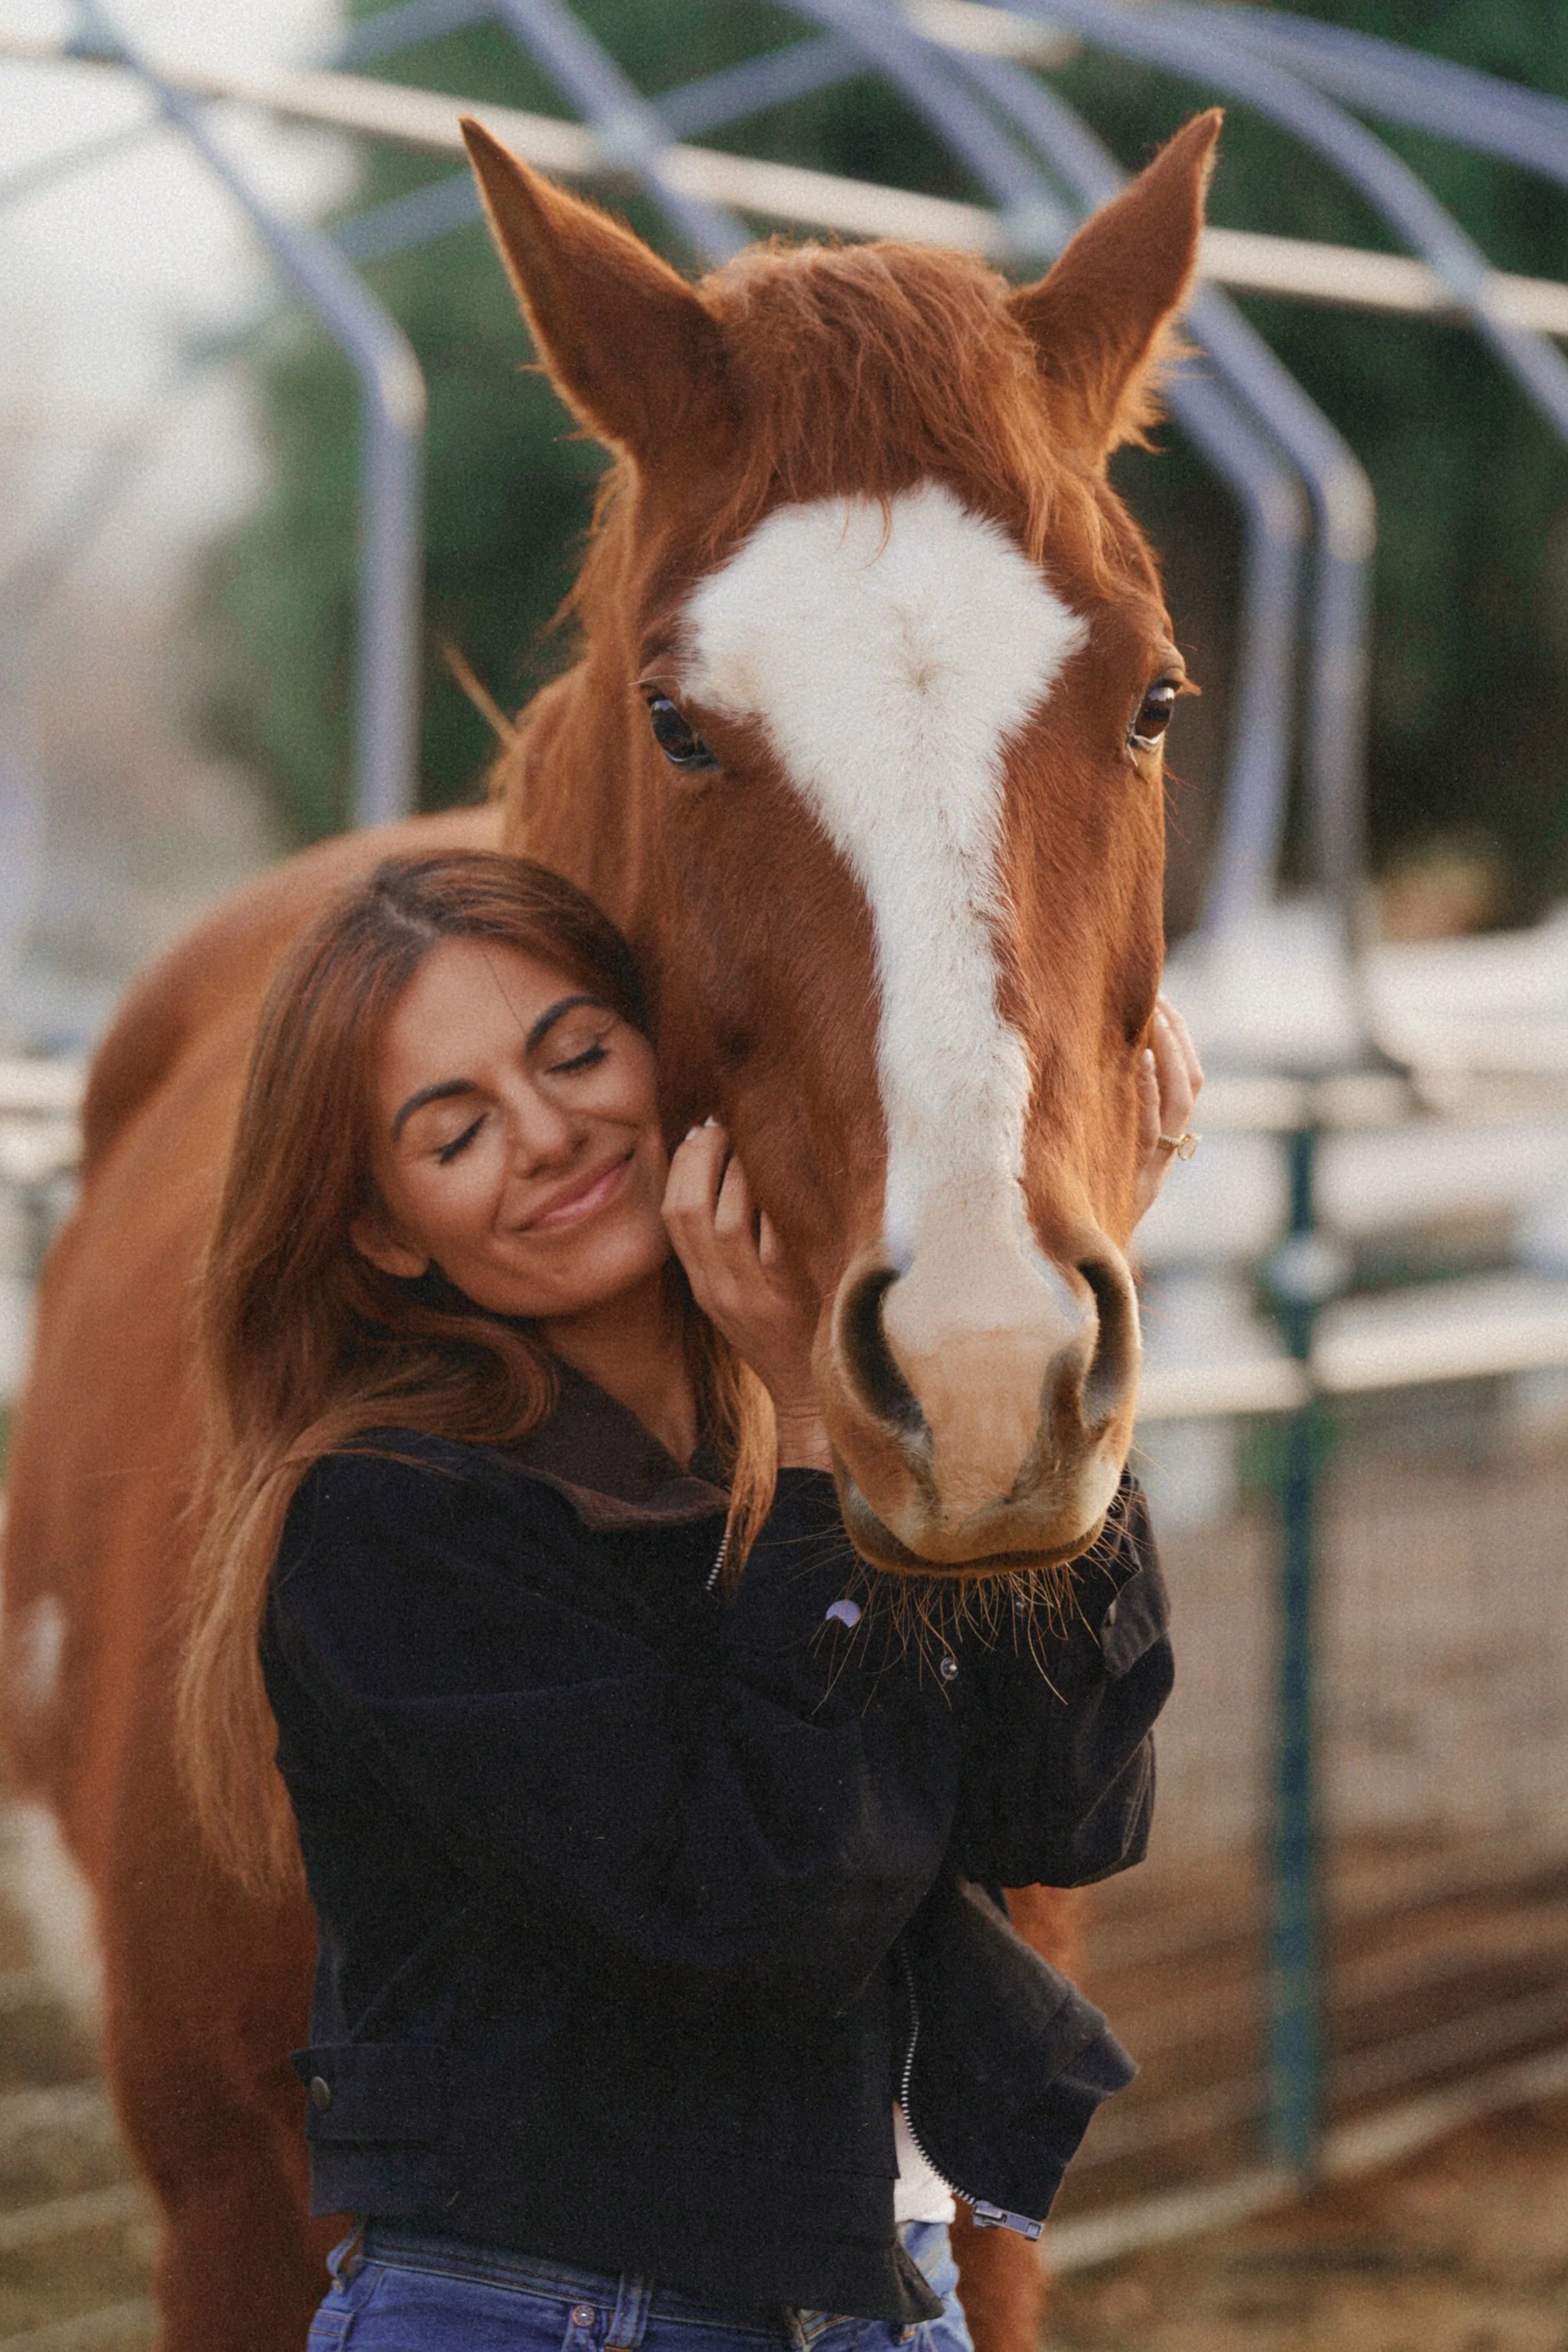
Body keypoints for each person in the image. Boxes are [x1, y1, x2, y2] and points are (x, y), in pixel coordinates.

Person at [179, 850, 1201, 2352]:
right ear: (388, 1232)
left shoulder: (790, 1437)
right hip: (542, 2317)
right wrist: (814, 1439)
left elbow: (1059, 1810)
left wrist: (1062, 1283)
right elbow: (749, 1914)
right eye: (454, 1131)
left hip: (875, 2303)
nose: (547, 1134)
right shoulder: (395, 1520)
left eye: (576, 1055)